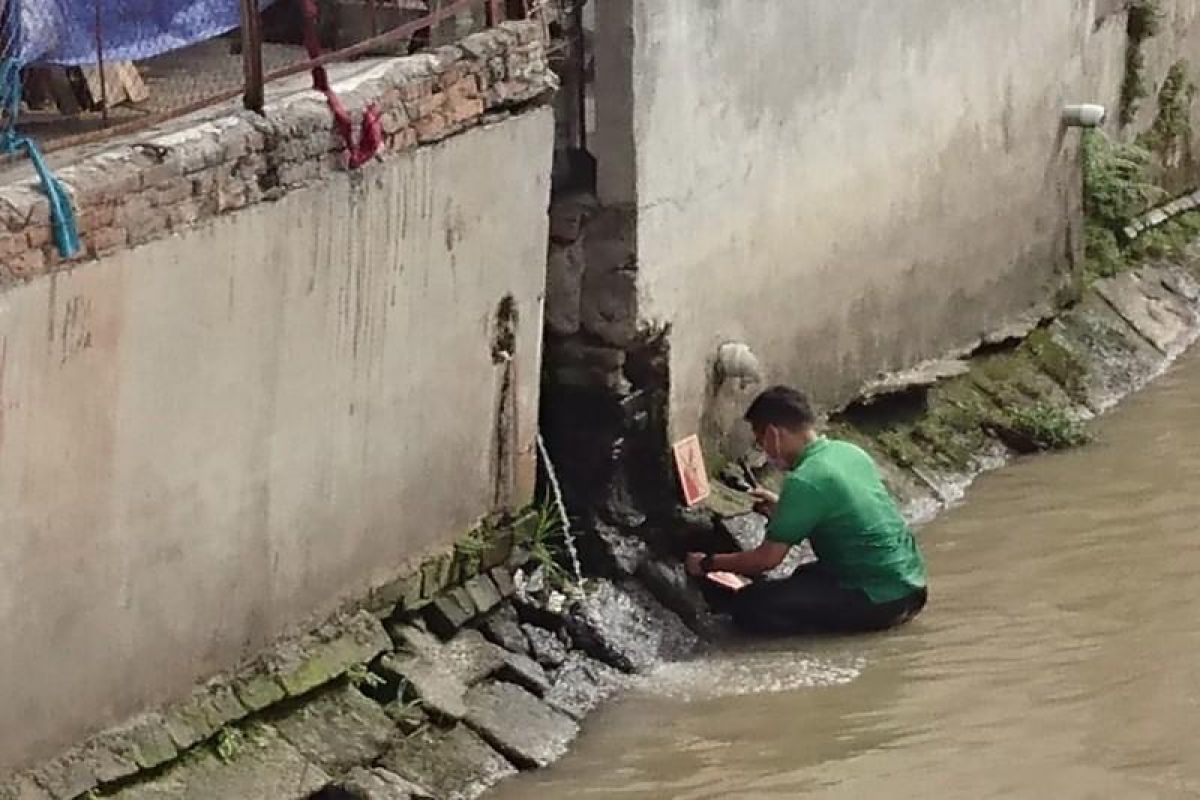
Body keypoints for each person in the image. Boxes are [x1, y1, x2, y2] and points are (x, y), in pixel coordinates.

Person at [685, 385, 928, 635]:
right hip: (913, 586)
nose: (764, 451)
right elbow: (847, 511)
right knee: (805, 574)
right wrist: (784, 508)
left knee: (751, 605)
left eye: (760, 442)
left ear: (772, 435)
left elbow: (766, 560)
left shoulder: (805, 480)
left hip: (881, 602)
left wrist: (707, 563)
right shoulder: (848, 452)